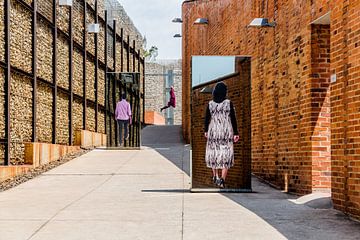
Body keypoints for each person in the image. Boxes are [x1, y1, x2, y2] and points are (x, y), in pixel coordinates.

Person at [204, 82, 239, 188]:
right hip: (226, 131)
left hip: (213, 130)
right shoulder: (229, 103)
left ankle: (215, 175)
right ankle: (223, 179)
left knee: (213, 153)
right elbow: (233, 118)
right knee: (226, 154)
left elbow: (206, 119)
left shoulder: (210, 104)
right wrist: (236, 133)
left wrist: (206, 130)